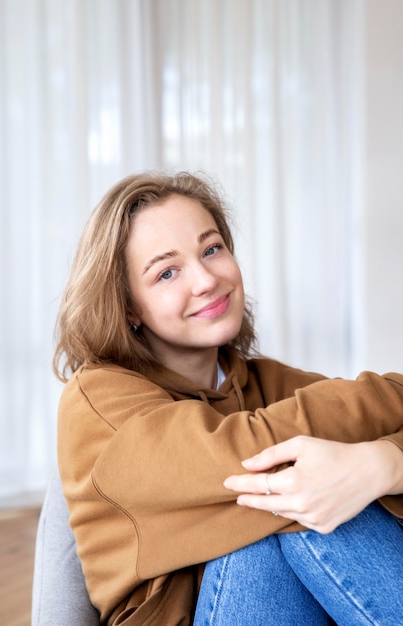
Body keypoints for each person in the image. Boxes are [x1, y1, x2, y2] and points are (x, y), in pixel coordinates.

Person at [54, 171, 403, 626]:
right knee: (296, 503)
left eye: (212, 248)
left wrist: (384, 464)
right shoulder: (97, 400)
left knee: (313, 493)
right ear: (127, 307)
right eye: (167, 272)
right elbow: (248, 454)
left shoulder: (266, 382)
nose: (205, 279)